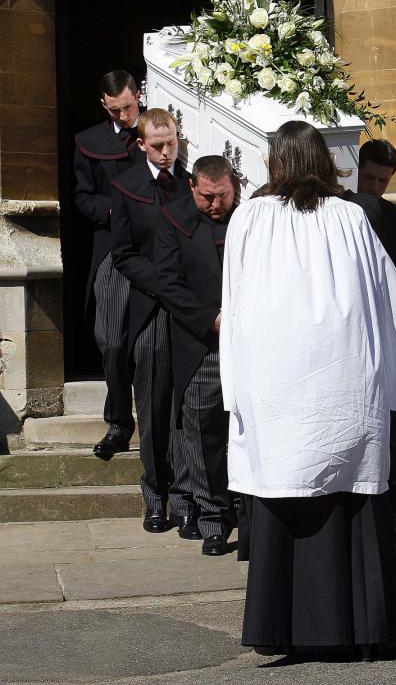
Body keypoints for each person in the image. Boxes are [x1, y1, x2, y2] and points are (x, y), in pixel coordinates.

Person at [220, 120, 396, 658]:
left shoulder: (249, 217)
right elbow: (384, 301)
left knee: (284, 483)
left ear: (275, 162)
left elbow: (236, 307)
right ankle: (362, 629)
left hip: (276, 386)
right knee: (350, 494)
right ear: (324, 160)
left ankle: (285, 629)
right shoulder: (351, 216)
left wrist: (236, 385)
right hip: (343, 384)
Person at [111, 108, 192, 533]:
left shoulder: (189, 184)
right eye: (158, 145)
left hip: (188, 312)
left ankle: (184, 496)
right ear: (141, 144)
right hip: (151, 308)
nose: (166, 152)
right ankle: (155, 495)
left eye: (172, 143)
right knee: (154, 405)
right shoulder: (126, 187)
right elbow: (123, 253)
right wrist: (163, 285)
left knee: (185, 407)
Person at [154, 155, 237, 555]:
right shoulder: (174, 221)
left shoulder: (252, 219)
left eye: (222, 195)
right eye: (207, 197)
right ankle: (212, 519)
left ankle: (245, 509)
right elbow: (168, 284)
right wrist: (211, 319)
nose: (216, 204)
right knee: (202, 429)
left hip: (251, 343)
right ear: (193, 188)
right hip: (202, 342)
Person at [73, 69, 142, 460]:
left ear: (138, 95)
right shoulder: (90, 142)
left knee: (155, 348)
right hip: (114, 248)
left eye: (129, 107)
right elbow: (84, 197)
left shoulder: (158, 130)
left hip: (157, 250)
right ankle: (119, 423)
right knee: (112, 340)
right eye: (115, 109)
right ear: (104, 103)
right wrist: (116, 210)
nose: (123, 115)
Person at [356, 139, 396, 292]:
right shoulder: (337, 210)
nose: (375, 187)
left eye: (383, 181)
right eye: (369, 178)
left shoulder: (394, 215)